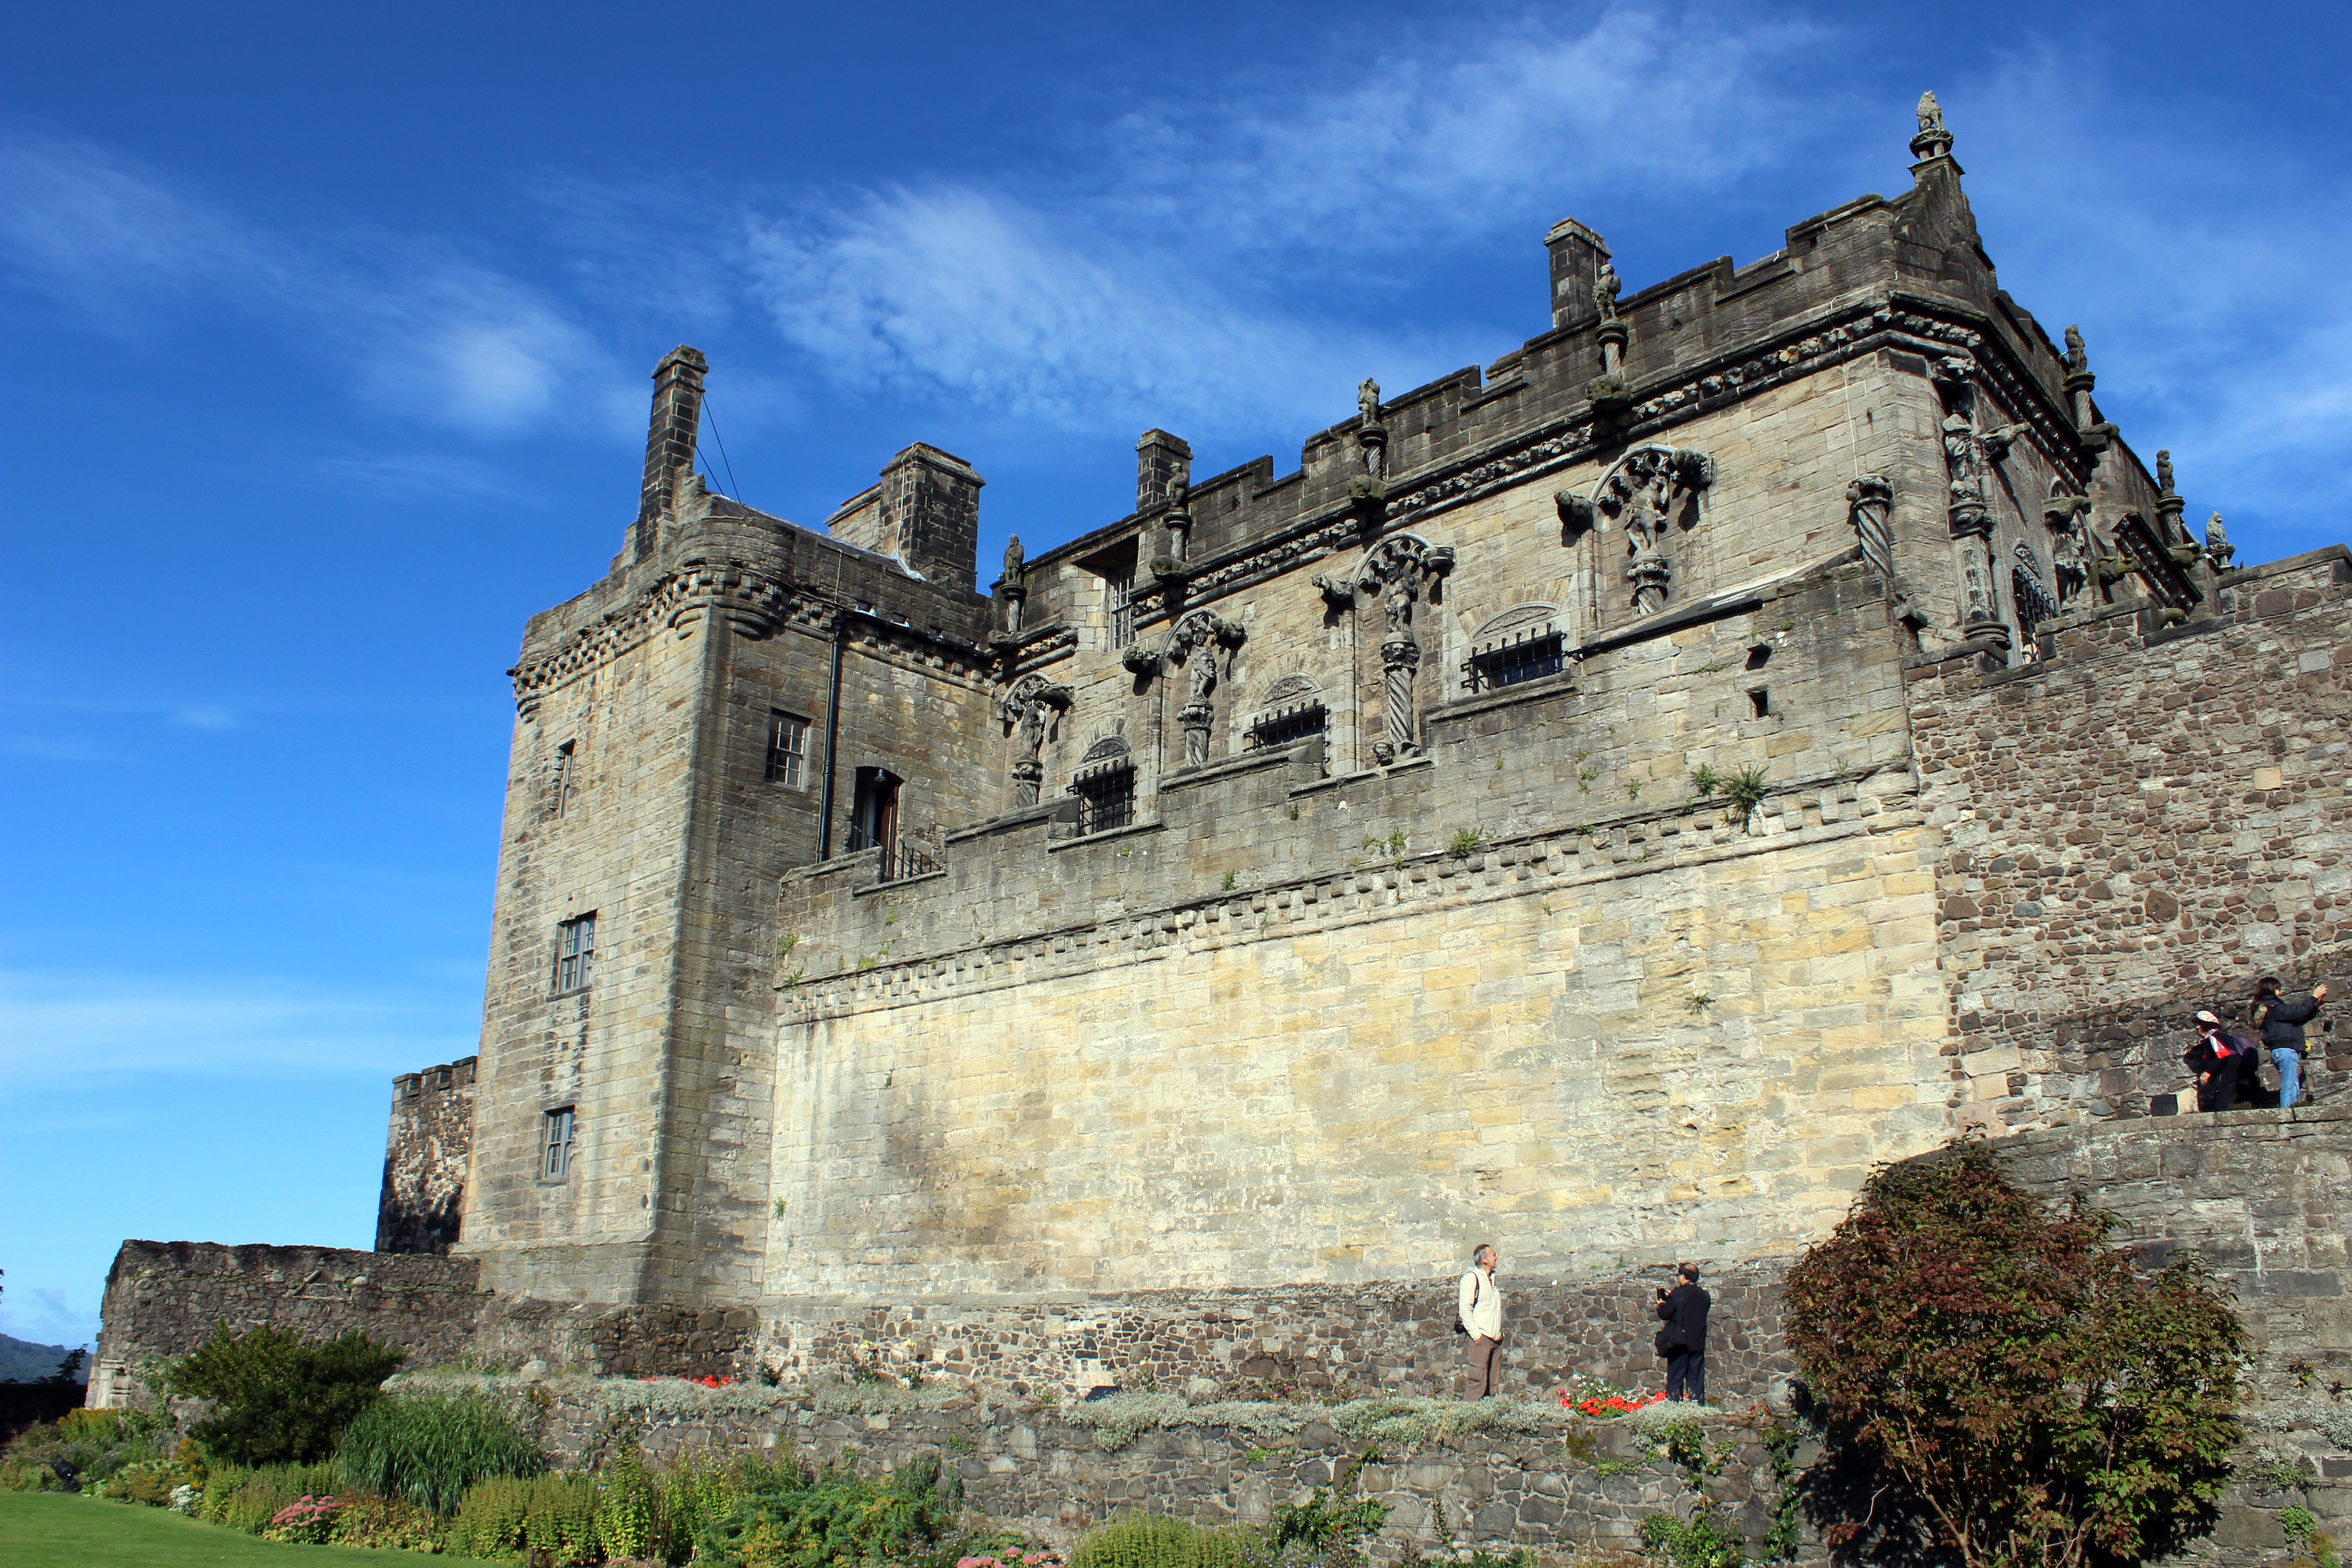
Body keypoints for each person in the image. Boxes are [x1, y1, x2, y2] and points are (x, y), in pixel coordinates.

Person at [2252, 977, 2329, 1110]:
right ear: (2269, 989)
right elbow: (2297, 1012)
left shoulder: (2273, 1008)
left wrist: (2315, 1006)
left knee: (2292, 1084)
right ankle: (2287, 1115)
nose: (2281, 992)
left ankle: (2289, 1110)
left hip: (2284, 1050)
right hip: (2285, 1050)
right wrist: (2313, 997)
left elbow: (2298, 1019)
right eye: (2277, 989)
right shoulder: (2274, 1007)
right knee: (2289, 1085)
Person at [1656, 1262, 1711, 1403]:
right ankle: (1697, 1406)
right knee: (1696, 1379)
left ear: (1684, 1276)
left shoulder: (1679, 1293)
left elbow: (1665, 1313)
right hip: (1698, 1342)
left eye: (1679, 1275)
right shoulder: (1704, 1295)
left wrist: (1662, 1303)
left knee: (1675, 1377)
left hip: (1680, 1342)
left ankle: (1674, 1407)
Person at [1457, 1243, 1504, 1399]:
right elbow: (1465, 1310)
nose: (1497, 1257)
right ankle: (1466, 1420)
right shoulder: (1471, 1279)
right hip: (1482, 1339)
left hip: (1496, 1340)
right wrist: (1477, 1336)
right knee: (1477, 1384)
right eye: (1493, 1255)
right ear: (1484, 1259)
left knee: (1492, 1385)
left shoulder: (1492, 1280)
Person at [2187, 1011, 2248, 1112]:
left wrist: (2208, 1072)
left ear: (2205, 1025)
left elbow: (2222, 1055)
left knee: (2221, 1106)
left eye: (2199, 1024)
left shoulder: (2214, 1037)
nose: (2197, 1028)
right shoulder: (2221, 1036)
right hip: (2236, 1078)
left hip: (2231, 1080)